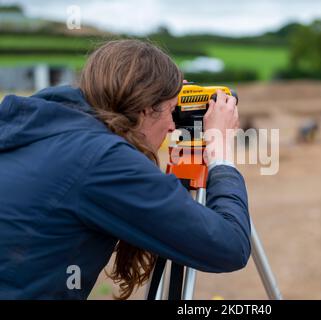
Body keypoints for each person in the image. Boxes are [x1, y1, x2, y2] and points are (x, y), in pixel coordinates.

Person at [0, 40, 251, 299]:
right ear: (144, 107)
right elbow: (230, 245)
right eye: (171, 111)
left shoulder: (38, 127)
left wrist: (166, 95)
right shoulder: (101, 160)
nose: (172, 127)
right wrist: (219, 154)